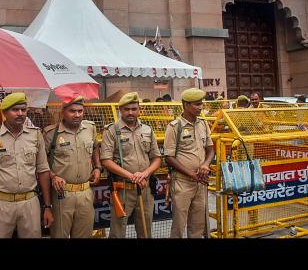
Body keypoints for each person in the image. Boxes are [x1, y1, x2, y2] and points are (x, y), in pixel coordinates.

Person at [0, 93, 54, 238]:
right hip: (0, 204)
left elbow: (43, 171)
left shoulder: (35, 135)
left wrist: (47, 207)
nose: (20, 113)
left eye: (23, 109)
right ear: (4, 112)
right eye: (15, 110)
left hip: (30, 202)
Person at [101, 92, 161, 238]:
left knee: (145, 230)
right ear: (120, 110)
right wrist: (131, 176)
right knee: (118, 231)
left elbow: (157, 158)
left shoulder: (147, 129)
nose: (130, 112)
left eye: (134, 109)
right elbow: (106, 160)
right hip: (123, 189)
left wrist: (145, 174)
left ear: (139, 109)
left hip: (144, 187)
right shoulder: (111, 130)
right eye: (126, 109)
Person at [43, 95, 102, 238]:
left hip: (85, 193)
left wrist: (97, 167)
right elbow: (41, 164)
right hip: (62, 195)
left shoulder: (90, 128)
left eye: (80, 111)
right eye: (72, 111)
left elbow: (95, 147)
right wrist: (53, 176)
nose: (77, 115)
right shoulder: (51, 133)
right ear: (63, 112)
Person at [163, 88, 215, 238]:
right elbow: (169, 157)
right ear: (185, 105)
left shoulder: (203, 124)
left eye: (201, 104)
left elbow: (211, 148)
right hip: (182, 182)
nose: (200, 107)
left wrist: (205, 164)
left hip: (200, 182)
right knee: (179, 225)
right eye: (197, 104)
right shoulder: (174, 127)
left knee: (198, 225)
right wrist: (191, 174)